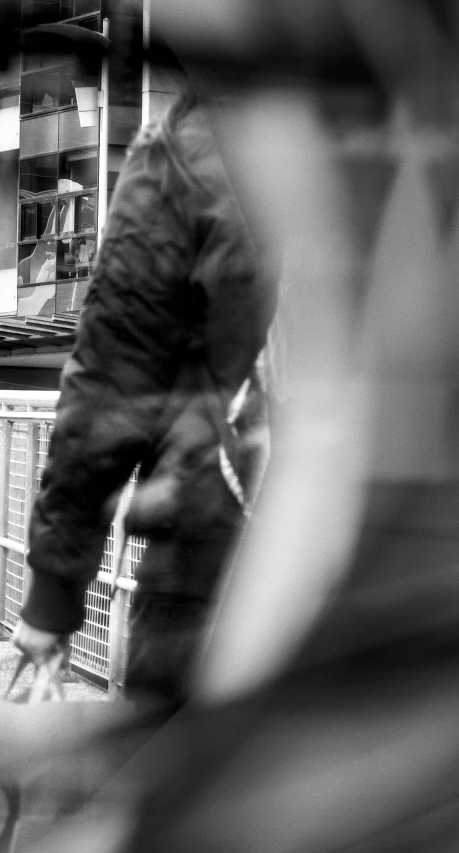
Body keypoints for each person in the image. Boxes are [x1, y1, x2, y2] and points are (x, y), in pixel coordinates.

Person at [17, 87, 270, 707]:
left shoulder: (196, 139)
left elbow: (113, 375)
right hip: (456, 571)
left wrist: (54, 595)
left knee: (192, 787)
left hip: (217, 547)